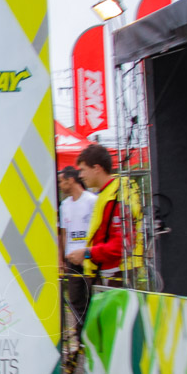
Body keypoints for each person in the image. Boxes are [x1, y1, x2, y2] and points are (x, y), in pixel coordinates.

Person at [67, 144, 129, 287]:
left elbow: (121, 245)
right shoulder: (106, 194)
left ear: (96, 168)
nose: (80, 176)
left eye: (83, 170)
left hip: (117, 274)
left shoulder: (117, 195)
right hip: (108, 273)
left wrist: (87, 253)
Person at [58, 167, 96, 348]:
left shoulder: (91, 201)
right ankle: (81, 342)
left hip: (89, 259)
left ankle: (94, 338)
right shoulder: (64, 205)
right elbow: (63, 234)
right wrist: (62, 259)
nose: (60, 185)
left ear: (71, 180)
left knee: (92, 300)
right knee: (75, 301)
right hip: (71, 261)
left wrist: (88, 252)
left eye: (61, 181)